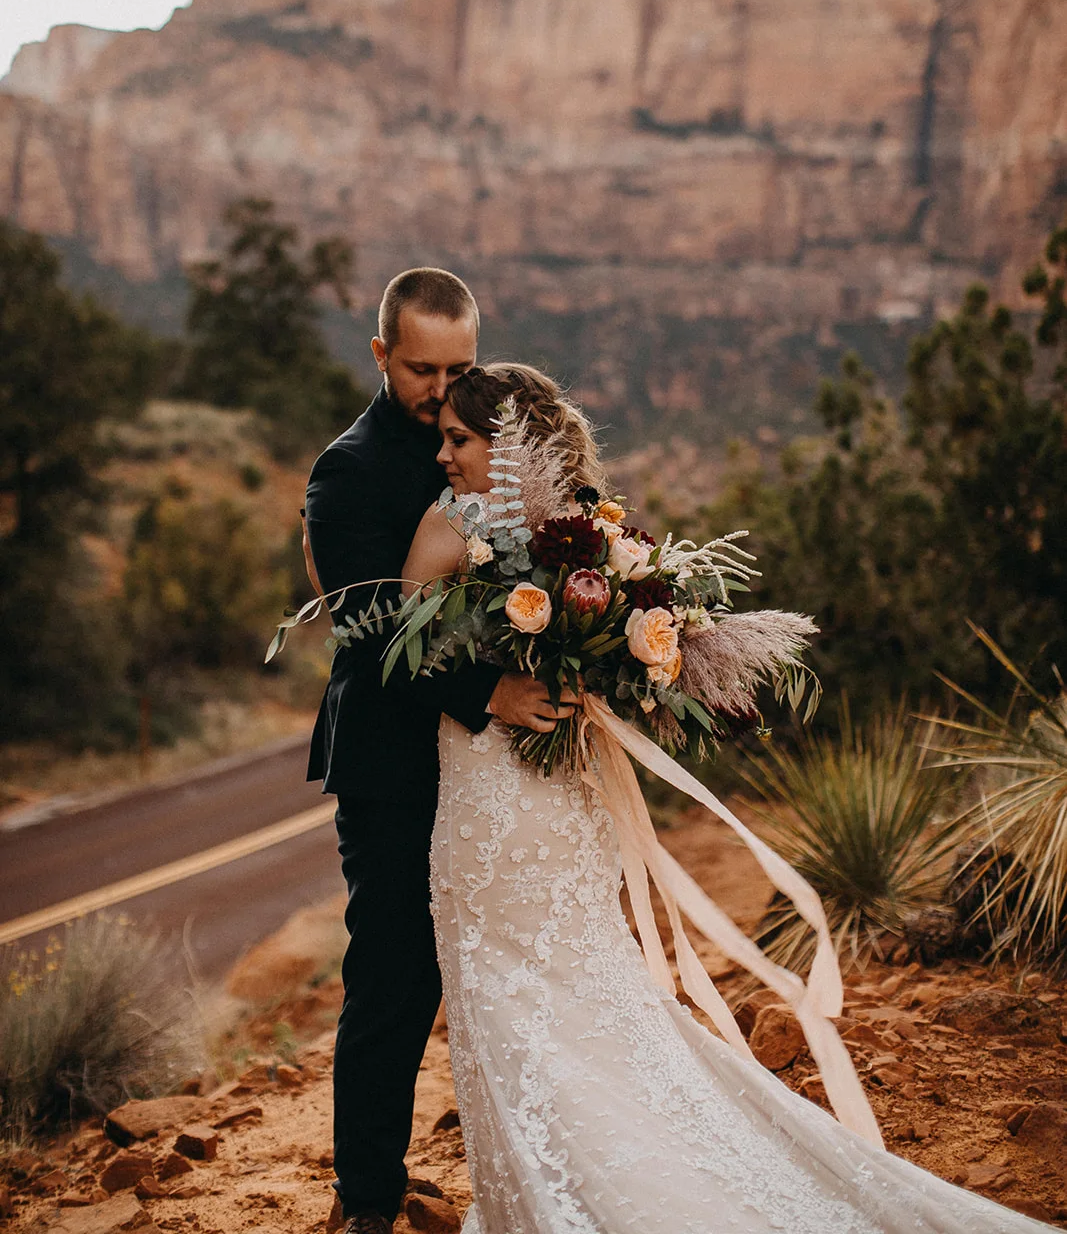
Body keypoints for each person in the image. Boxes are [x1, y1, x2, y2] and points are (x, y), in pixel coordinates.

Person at [401, 362, 1052, 1234]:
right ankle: (542, 1191)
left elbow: (413, 667)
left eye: (459, 440)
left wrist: (590, 674)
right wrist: (494, 692)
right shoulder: (502, 529)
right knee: (531, 1001)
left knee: (562, 995)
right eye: (444, 437)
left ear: (511, 447)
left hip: (539, 799)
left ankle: (585, 1198)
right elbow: (398, 662)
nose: (442, 455)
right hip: (501, 793)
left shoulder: (562, 533)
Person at [303, 275, 572, 1234]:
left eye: (460, 367)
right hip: (390, 764)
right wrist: (488, 692)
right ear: (380, 357)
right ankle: (366, 1201)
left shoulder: (499, 444)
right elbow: (368, 633)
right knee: (394, 975)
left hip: (492, 772)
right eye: (424, 369)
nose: (443, 389)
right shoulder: (347, 473)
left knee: (506, 965)